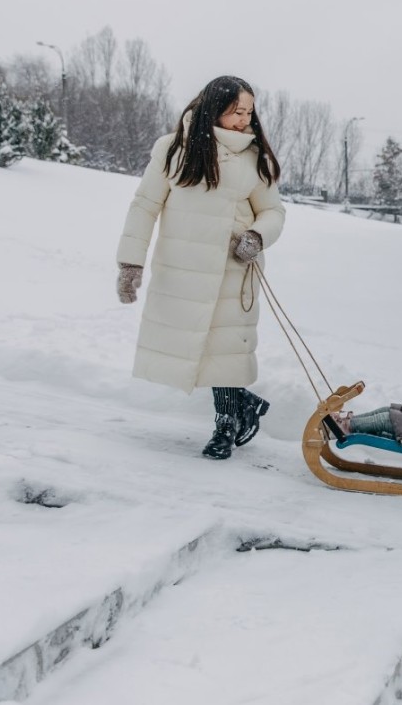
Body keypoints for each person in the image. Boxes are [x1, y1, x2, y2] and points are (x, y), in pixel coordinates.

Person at [116, 76, 284, 461]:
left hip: (232, 268)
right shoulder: (173, 149)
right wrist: (130, 262)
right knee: (197, 347)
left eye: (248, 111)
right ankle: (243, 405)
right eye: (236, 111)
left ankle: (226, 424)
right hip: (182, 269)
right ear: (214, 108)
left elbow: (273, 211)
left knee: (221, 351)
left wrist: (257, 237)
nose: (244, 119)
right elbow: (145, 205)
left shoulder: (254, 157)